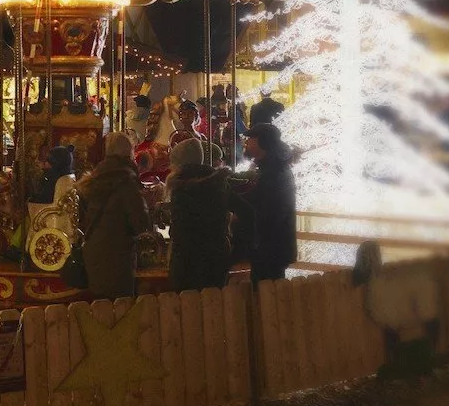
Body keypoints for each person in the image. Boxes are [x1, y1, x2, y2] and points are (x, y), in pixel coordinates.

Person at [76, 132, 150, 299]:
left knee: (100, 308)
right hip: (117, 258)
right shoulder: (126, 182)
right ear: (129, 152)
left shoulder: (95, 179)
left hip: (94, 253)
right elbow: (141, 223)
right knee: (120, 311)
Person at [165, 138, 232, 292]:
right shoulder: (218, 183)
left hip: (188, 260)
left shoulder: (181, 187)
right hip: (216, 257)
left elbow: (180, 230)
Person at [243, 123, 297, 284]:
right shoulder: (272, 168)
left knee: (266, 295)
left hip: (270, 249)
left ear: (263, 142)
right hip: (272, 247)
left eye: (251, 139)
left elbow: (268, 211)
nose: (247, 142)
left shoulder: (273, 173)